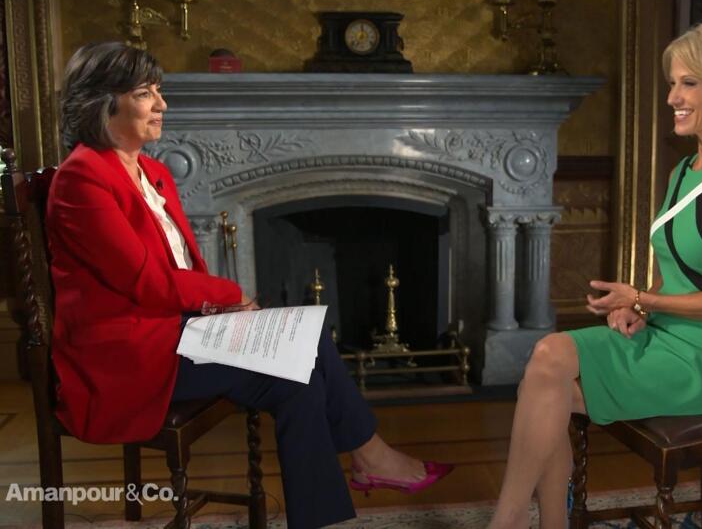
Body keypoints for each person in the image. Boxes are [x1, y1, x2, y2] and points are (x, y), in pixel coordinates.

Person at [47, 41, 452, 529]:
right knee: (304, 353)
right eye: (144, 94)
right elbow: (145, 282)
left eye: (158, 91)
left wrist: (221, 314)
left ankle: (340, 497)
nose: (162, 105)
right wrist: (230, 297)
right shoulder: (81, 179)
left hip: (177, 332)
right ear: (103, 103)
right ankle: (370, 457)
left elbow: (178, 268)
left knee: (300, 368)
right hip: (126, 357)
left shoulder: (151, 172)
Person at [489, 22, 702, 528]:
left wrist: (643, 300)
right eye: (672, 83)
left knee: (542, 391)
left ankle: (511, 523)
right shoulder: (682, 172)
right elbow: (676, 276)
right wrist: (640, 309)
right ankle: (533, 522)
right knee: (546, 362)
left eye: (688, 83)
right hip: (666, 337)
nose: (672, 97)